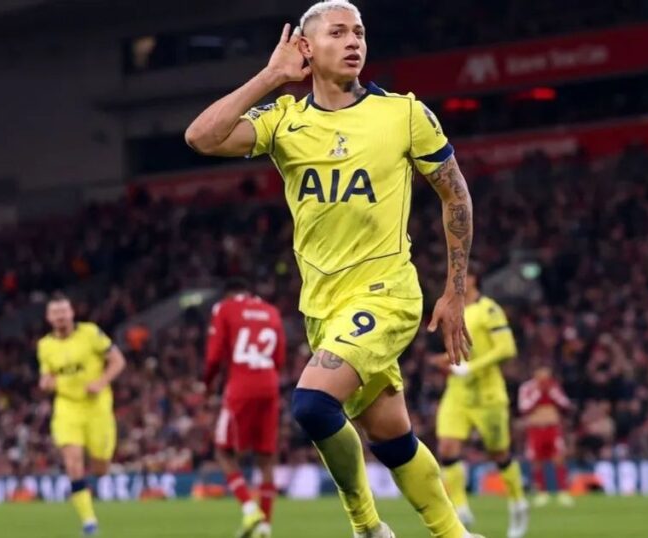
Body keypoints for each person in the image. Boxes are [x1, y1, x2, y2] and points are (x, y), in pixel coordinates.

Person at [185, 1, 479, 536]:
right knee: (392, 438)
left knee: (313, 404)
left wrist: (454, 291)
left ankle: (366, 526)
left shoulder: (404, 114)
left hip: (387, 293)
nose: (354, 42)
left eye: (359, 33)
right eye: (338, 32)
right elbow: (201, 137)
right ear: (306, 47)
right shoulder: (284, 121)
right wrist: (271, 77)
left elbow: (455, 193)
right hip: (323, 308)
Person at [430, 268, 528, 537]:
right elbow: (463, 350)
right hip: (458, 393)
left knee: (499, 453)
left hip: (487, 394)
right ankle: (461, 511)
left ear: (472, 279)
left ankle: (518, 503)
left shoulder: (489, 309)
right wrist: (445, 360)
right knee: (447, 448)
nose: (452, 280)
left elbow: (507, 348)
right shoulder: (451, 309)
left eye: (459, 275)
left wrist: (472, 368)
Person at [37, 293, 126, 536]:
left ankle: (94, 487)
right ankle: (89, 522)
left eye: (63, 311)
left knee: (100, 467)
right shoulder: (45, 346)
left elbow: (118, 361)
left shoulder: (90, 333)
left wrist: (101, 382)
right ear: (48, 317)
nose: (60, 317)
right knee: (73, 462)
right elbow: (47, 376)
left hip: (97, 408)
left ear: (72, 313)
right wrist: (45, 383)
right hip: (67, 408)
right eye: (55, 313)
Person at [204, 278, 286, 538]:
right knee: (266, 458)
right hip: (270, 385)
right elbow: (280, 357)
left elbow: (214, 356)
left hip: (241, 386)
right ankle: (265, 527)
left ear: (229, 294)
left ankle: (250, 510)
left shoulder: (224, 308)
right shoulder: (271, 311)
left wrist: (208, 384)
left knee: (223, 451)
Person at [518, 367, 573, 508]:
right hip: (535, 429)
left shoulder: (553, 387)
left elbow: (565, 404)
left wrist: (552, 393)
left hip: (552, 428)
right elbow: (524, 407)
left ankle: (563, 492)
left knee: (558, 459)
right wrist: (538, 393)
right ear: (535, 376)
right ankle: (542, 493)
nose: (544, 379)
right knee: (537, 461)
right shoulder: (527, 388)